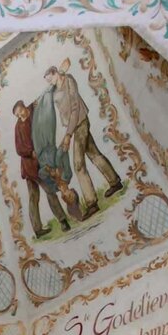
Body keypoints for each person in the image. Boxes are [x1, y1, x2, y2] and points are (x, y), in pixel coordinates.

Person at [43, 64, 123, 219]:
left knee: (78, 164)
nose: (50, 82)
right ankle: (115, 182)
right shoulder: (54, 90)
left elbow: (75, 108)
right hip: (74, 126)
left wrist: (68, 135)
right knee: (94, 153)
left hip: (80, 122)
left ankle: (92, 203)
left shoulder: (68, 81)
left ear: (55, 73)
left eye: (50, 79)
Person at [12, 99, 70, 238]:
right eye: (18, 115)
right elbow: (19, 149)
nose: (20, 116)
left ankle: (63, 221)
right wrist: (30, 152)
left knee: (50, 191)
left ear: (24, 108)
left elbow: (36, 104)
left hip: (41, 163)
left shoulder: (32, 113)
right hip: (29, 167)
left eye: (21, 112)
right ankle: (38, 229)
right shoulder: (18, 127)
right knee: (34, 196)